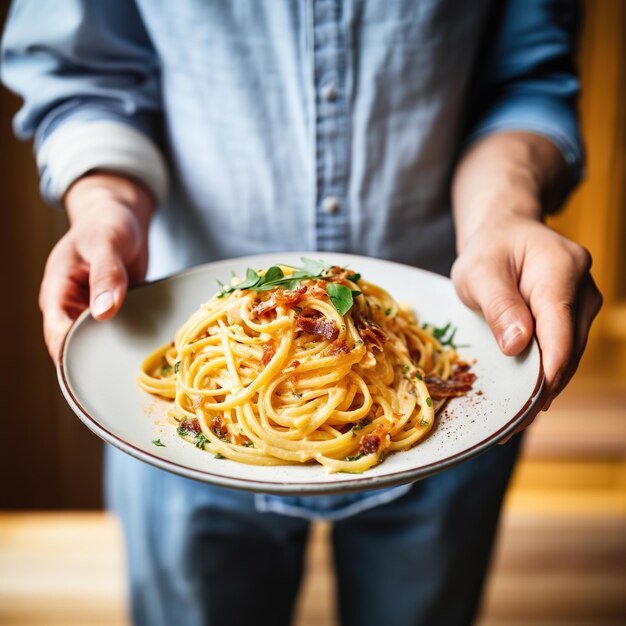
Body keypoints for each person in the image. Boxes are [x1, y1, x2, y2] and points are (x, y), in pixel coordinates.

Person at [1, 1, 602, 625]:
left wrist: (506, 209)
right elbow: (85, 73)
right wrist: (105, 202)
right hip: (194, 403)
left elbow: (524, 78)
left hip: (440, 356)